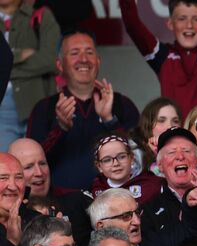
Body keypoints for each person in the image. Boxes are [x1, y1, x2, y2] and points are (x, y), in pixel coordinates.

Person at [27, 30, 139, 192]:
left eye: (89, 52)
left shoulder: (122, 104)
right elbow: (33, 167)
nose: (84, 59)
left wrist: (109, 120)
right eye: (74, 53)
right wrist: (61, 129)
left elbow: (138, 160)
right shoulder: (44, 109)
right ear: (60, 65)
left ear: (98, 61)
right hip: (61, 204)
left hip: (115, 202)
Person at [0, 0, 60, 151]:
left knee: (37, 163)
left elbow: (49, 61)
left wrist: (6, 67)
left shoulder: (41, 15)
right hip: (2, 108)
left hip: (35, 102)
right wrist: (21, 55)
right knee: (5, 166)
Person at [90, 134, 162, 204]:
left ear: (132, 159)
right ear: (99, 166)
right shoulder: (96, 189)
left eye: (122, 157)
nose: (116, 164)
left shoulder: (151, 185)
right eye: (107, 160)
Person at [128, 97, 182, 174]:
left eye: (175, 121)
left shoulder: (184, 152)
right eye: (161, 120)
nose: (169, 126)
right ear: (148, 125)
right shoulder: (134, 152)